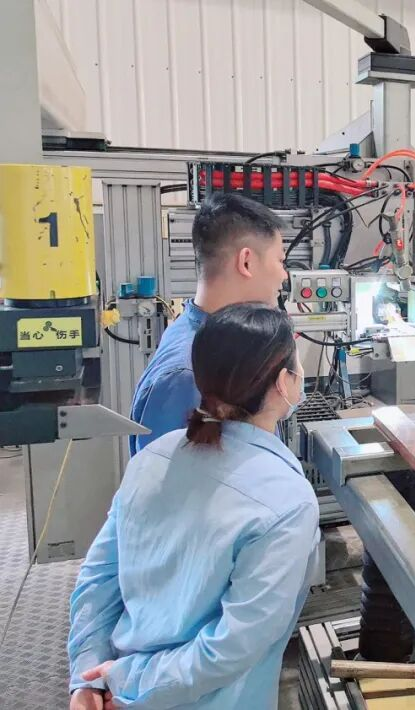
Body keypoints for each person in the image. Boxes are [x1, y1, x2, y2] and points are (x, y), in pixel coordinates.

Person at [69, 304, 320, 710]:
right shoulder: (287, 501)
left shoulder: (153, 458)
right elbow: (233, 645)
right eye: (296, 366)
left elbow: (97, 578)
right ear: (282, 383)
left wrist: (88, 676)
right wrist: (129, 682)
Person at [130, 192, 288, 454]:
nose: (284, 275)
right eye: (280, 261)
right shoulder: (187, 374)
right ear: (246, 262)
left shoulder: (215, 341)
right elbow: (171, 477)